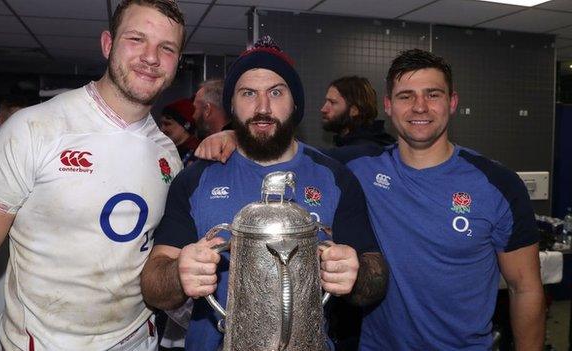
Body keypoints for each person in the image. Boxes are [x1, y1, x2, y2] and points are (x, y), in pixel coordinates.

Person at [195, 49, 546, 350]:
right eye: (407, 96)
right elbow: (289, 153)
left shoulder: (498, 184)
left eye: (433, 94)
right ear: (390, 107)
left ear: (452, 103)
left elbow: (525, 288)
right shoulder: (357, 171)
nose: (420, 106)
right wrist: (236, 135)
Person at [0, 1, 186, 350]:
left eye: (166, 48)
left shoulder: (167, 154)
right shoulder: (33, 130)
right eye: (136, 39)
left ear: (177, 62)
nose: (151, 57)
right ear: (108, 44)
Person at [140, 36, 388, 351]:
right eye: (248, 94)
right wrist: (177, 274)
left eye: (275, 92)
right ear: (231, 105)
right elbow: (152, 285)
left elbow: (376, 277)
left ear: (295, 103)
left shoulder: (335, 178)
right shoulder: (196, 179)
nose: (262, 107)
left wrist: (357, 273)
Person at [320, 76, 394, 148]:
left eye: (332, 102)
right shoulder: (368, 143)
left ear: (354, 111)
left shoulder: (362, 152)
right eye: (326, 101)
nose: (323, 109)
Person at [159, 98, 201, 165]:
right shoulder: (163, 151)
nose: (162, 129)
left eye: (167, 124)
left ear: (185, 126)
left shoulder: (199, 153)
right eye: (161, 124)